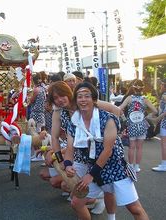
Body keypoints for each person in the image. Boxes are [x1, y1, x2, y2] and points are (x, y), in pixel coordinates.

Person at [65, 82, 148, 220]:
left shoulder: (108, 119)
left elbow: (108, 150)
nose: (83, 100)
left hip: (115, 167)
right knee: (76, 202)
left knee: (135, 209)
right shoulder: (74, 122)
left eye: (87, 96)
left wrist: (90, 175)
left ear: (94, 99)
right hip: (93, 167)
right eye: (79, 96)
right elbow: (69, 148)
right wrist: (67, 164)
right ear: (76, 100)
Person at [46, 81, 121, 216]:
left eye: (61, 95)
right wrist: (60, 159)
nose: (59, 100)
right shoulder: (59, 111)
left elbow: (116, 110)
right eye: (55, 98)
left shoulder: (83, 101)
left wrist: (112, 135)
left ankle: (104, 206)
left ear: (69, 93)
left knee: (108, 188)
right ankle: (95, 198)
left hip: (100, 152)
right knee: (75, 189)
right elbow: (54, 137)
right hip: (79, 155)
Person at [119, 79, 158, 172]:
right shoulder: (145, 99)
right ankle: (137, 167)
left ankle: (131, 166)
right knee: (140, 147)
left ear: (133, 88)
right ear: (142, 89)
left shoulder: (129, 98)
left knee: (132, 147)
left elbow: (119, 109)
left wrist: (125, 119)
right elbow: (155, 111)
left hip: (131, 124)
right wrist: (146, 116)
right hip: (141, 125)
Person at [152, 79, 166, 172]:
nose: (160, 86)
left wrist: (157, 119)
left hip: (165, 122)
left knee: (164, 144)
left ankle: (164, 164)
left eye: (161, 84)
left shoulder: (165, 95)